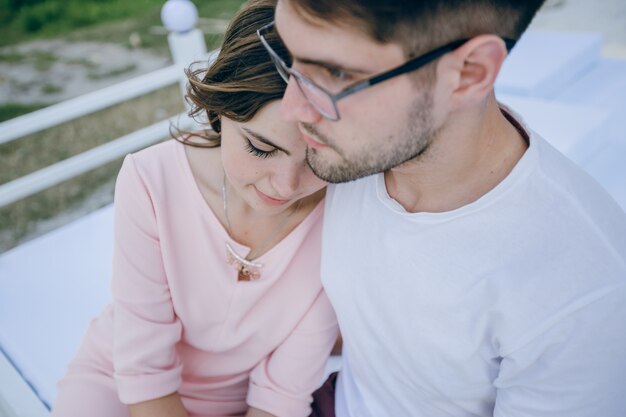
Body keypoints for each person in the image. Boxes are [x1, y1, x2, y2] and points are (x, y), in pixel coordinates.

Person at [259, 1, 626, 416]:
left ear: (470, 73)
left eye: (336, 75)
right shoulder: (347, 150)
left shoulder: (583, 295)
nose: (292, 108)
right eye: (287, 57)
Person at [51, 1, 338, 417]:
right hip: (118, 383)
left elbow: (281, 395)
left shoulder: (346, 214)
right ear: (220, 112)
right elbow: (145, 370)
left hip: (244, 405)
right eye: (260, 147)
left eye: (317, 160)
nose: (286, 186)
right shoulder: (150, 181)